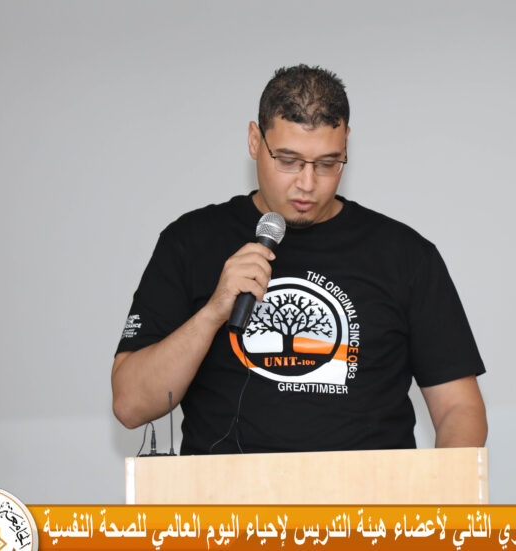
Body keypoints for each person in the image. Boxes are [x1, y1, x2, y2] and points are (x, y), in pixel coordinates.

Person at [112, 65, 486, 454]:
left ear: (346, 145)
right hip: (228, 492)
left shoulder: (405, 255)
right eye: (288, 160)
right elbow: (130, 405)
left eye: (327, 163)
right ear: (255, 140)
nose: (307, 184)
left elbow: (459, 408)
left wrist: (441, 488)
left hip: (369, 492)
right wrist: (212, 313)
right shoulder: (190, 242)